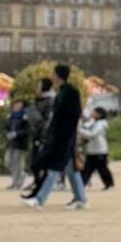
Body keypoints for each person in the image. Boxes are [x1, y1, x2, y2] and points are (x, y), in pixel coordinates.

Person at [23, 64, 88, 209]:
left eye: (54, 74)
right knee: (71, 169)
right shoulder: (65, 92)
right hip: (64, 135)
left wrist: (59, 133)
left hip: (62, 136)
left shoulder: (68, 93)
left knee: (54, 167)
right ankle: (81, 198)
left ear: (58, 76)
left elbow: (69, 116)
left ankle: (40, 199)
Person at [21, 78, 54, 199]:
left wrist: (31, 112)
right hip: (37, 135)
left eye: (39, 85)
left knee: (41, 165)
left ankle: (39, 192)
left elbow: (45, 120)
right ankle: (38, 189)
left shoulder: (49, 101)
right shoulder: (38, 101)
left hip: (44, 137)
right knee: (36, 165)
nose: (36, 88)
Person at [79, 107, 114, 190]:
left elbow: (93, 133)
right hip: (91, 150)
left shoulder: (102, 123)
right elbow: (85, 126)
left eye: (94, 112)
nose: (92, 114)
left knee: (102, 169)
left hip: (100, 150)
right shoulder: (92, 122)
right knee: (87, 169)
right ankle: (81, 185)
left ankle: (109, 183)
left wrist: (79, 131)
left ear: (99, 114)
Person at [1, 100, 30, 190]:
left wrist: (16, 134)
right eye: (15, 105)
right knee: (8, 162)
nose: (16, 106)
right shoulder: (10, 116)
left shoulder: (25, 117)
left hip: (19, 143)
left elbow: (27, 130)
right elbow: (5, 127)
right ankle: (22, 175)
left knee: (17, 163)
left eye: (19, 105)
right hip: (10, 143)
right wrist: (6, 133)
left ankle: (16, 183)